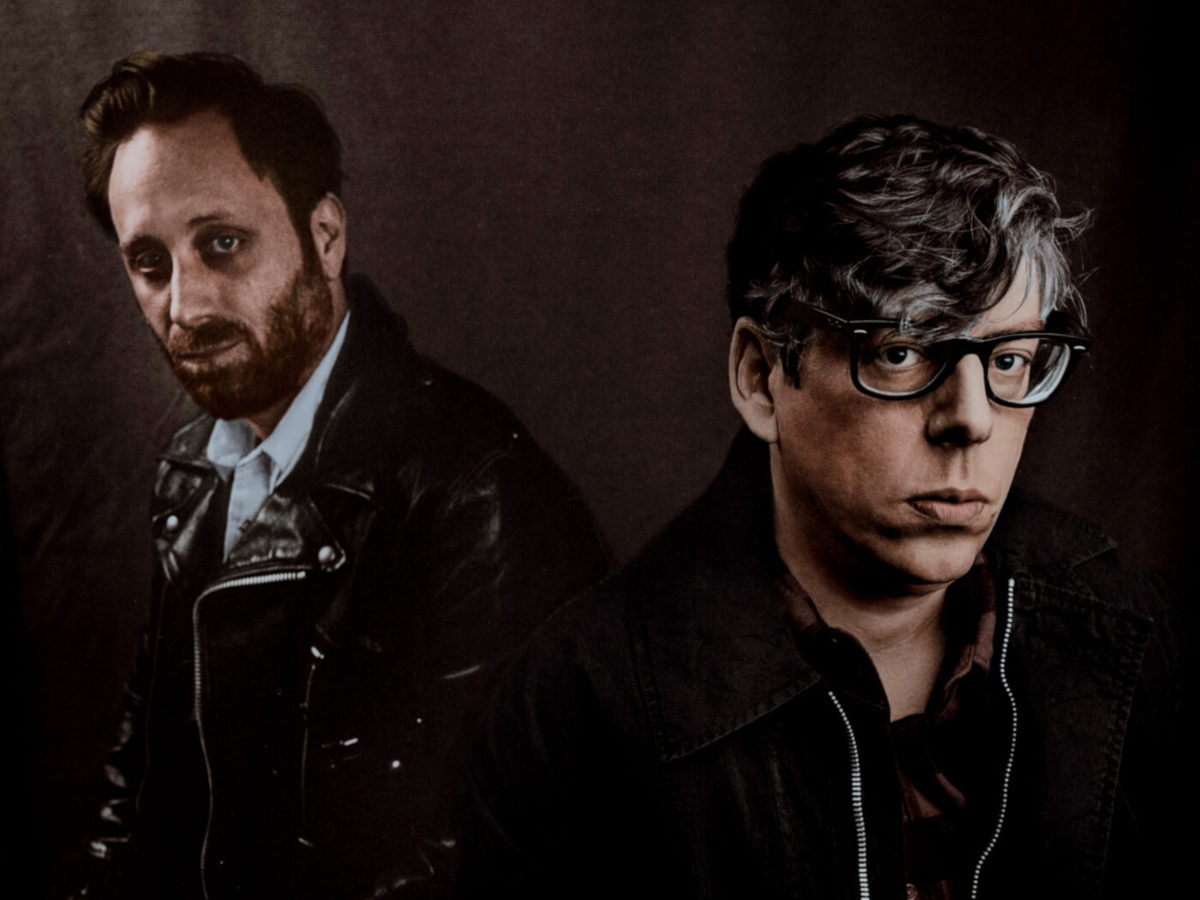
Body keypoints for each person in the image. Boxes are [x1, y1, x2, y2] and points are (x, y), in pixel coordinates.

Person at [457, 116, 1182, 898]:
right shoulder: (579, 708)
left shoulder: (1139, 634)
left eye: (1009, 360)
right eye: (901, 352)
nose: (971, 419)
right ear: (761, 378)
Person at [71, 51, 609, 899]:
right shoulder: (192, 475)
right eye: (150, 263)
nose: (185, 305)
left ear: (325, 236)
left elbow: (482, 865)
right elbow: (140, 792)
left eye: (222, 244)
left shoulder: (479, 494)